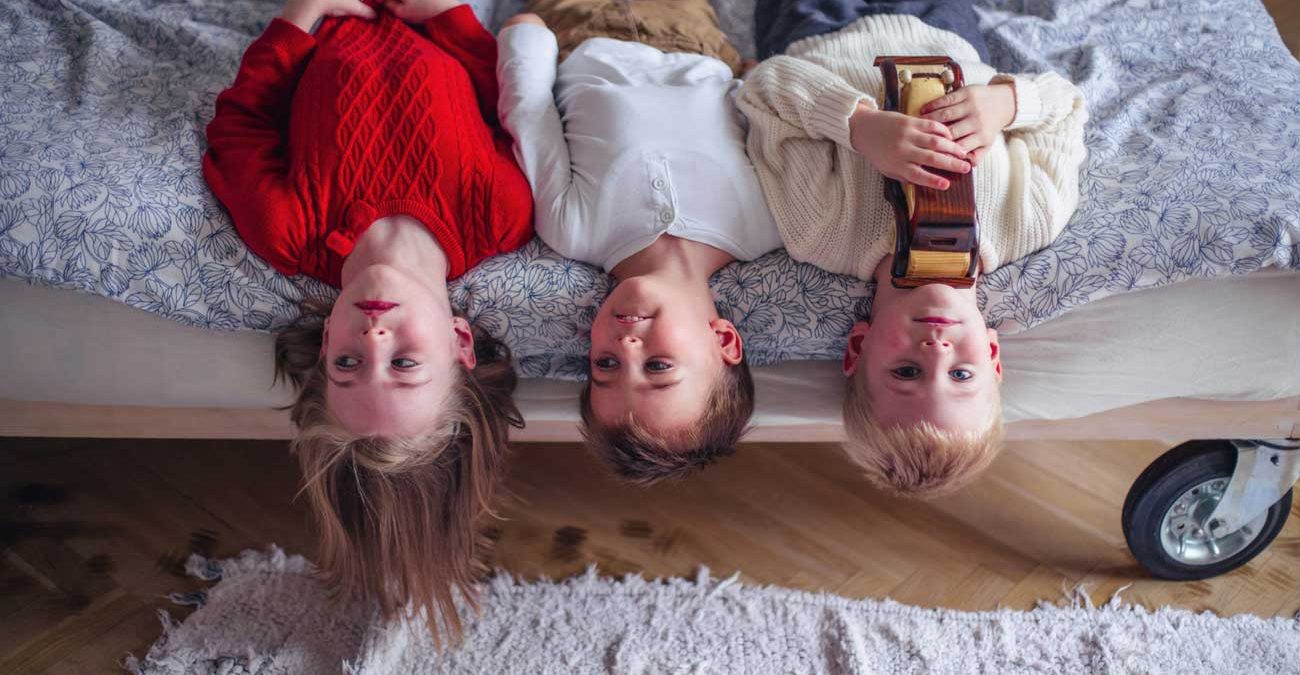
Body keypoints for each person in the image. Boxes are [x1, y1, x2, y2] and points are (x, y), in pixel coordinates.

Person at [202, 0, 533, 643]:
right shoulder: (500, 214)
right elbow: (505, 100)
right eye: (404, 365)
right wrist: (446, 16)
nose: (374, 339)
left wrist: (305, 11)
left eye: (348, 365)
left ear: (325, 342)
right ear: (461, 341)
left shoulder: (288, 229)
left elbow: (241, 121)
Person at [737, 0, 1089, 497]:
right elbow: (1066, 104)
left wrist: (859, 127)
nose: (937, 351)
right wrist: (1004, 105)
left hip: (822, 30)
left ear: (857, 348)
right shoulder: (1028, 222)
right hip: (943, 30)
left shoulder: (821, 231)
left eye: (907, 372)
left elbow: (764, 91)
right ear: (992, 355)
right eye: (961, 373)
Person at [495, 0, 782, 484]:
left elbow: (532, 119)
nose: (626, 346)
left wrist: (523, 41)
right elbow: (770, 134)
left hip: (582, 32)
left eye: (606, 364)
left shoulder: (575, 231)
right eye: (658, 365)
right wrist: (753, 78)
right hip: (696, 44)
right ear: (724, 341)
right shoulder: (767, 227)